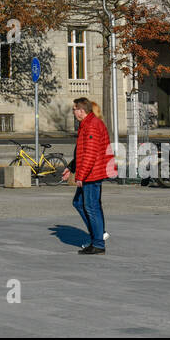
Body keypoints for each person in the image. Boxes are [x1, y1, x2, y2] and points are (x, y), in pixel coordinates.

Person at [61, 97, 114, 254]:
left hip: (92, 174)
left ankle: (98, 243)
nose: (73, 111)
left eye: (74, 109)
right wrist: (71, 168)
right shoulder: (87, 124)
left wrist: (80, 176)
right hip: (91, 172)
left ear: (81, 110)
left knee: (91, 206)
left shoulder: (91, 126)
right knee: (79, 203)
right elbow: (82, 151)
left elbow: (90, 154)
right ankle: (97, 236)